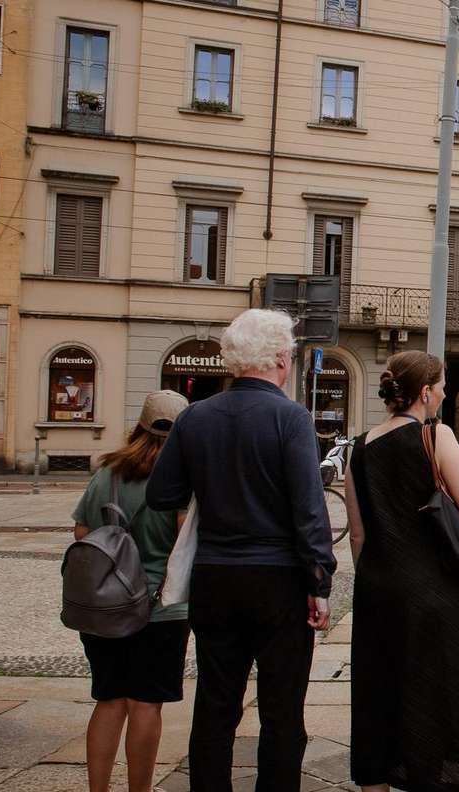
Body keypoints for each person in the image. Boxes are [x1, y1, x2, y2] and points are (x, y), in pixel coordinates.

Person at [146, 309, 337, 792]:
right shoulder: (291, 418)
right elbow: (309, 509)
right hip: (279, 581)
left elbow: (162, 495)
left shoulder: (195, 417)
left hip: (214, 576)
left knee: (215, 703)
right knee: (282, 709)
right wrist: (319, 582)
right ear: (281, 359)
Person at [343, 351, 459, 792]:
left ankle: (376, 781)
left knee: (377, 690)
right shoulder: (436, 435)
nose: (443, 394)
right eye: (441, 387)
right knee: (435, 691)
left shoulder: (358, 448)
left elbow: (358, 535)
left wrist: (375, 579)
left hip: (377, 587)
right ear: (425, 392)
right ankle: (430, 777)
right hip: (433, 590)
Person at [75, 390, 189, 792]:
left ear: (138, 425)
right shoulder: (182, 480)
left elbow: (82, 532)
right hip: (160, 608)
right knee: (145, 704)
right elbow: (185, 542)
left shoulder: (108, 473)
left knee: (109, 700)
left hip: (105, 606)